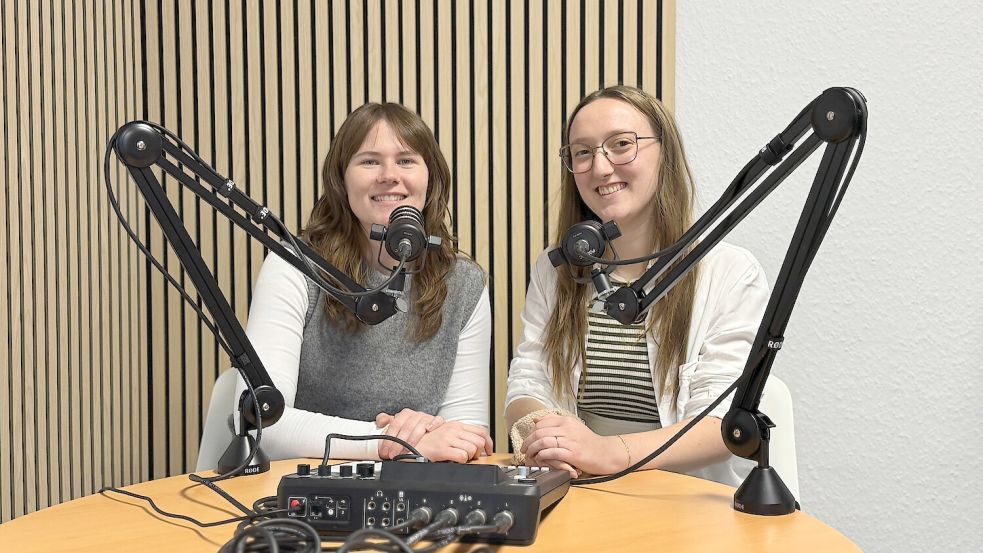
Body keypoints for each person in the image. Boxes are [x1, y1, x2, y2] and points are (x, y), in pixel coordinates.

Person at [505, 85, 769, 485]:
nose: (600, 167)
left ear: (665, 153)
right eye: (583, 152)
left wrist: (607, 453)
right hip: (582, 490)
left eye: (621, 145)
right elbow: (528, 380)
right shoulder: (553, 268)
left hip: (686, 499)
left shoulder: (730, 272)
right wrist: (549, 438)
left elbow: (722, 422)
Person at [235, 102, 493, 463]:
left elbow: (465, 437)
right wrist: (386, 441)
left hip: (416, 488)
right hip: (305, 488)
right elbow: (264, 421)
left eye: (406, 160)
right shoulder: (294, 267)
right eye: (370, 161)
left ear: (430, 179)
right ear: (341, 180)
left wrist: (416, 439)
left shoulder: (464, 285)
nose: (389, 175)